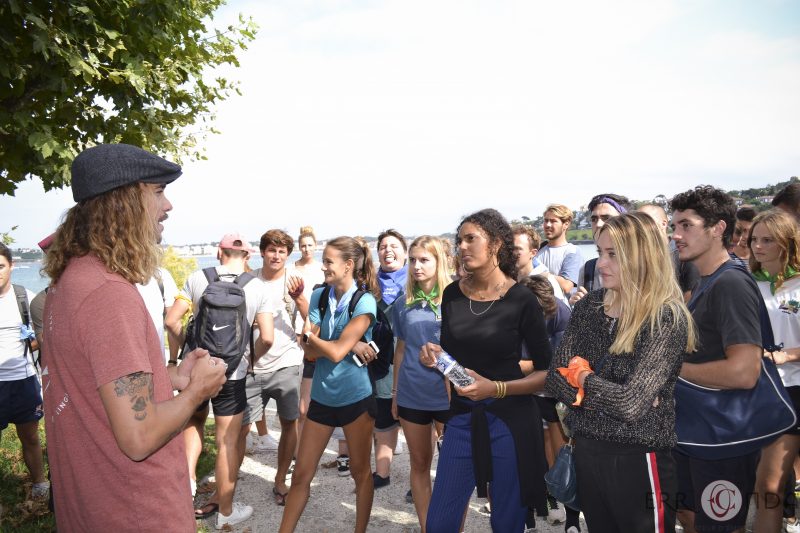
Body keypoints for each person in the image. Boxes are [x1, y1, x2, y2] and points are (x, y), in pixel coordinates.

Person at [41, 143, 227, 532]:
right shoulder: (107, 294)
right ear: (123, 202)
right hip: (135, 510)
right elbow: (139, 437)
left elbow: (93, 380)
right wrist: (197, 392)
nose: (168, 205)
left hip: (93, 504)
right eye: (158, 191)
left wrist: (169, 377)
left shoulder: (72, 281)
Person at [546, 212, 696, 533]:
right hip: (587, 453)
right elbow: (555, 380)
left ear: (642, 256)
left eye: (613, 254)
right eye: (600, 252)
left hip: (640, 460)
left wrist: (582, 378)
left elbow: (629, 403)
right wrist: (614, 393)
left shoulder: (664, 317)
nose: (601, 263)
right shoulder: (590, 308)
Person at [420, 208, 553, 532]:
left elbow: (547, 372)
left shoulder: (521, 299)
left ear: (495, 245)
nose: (462, 247)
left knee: (506, 522)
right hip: (463, 419)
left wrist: (496, 388)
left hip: (511, 421)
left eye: (470, 239)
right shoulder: (451, 294)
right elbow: (457, 359)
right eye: (459, 240)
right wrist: (437, 359)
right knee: (439, 523)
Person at [165, 232, 274, 529]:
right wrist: (250, 360)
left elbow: (171, 321)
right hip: (233, 374)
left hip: (196, 371)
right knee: (227, 441)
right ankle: (225, 513)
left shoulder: (197, 278)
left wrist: (184, 352)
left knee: (194, 425)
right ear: (248, 256)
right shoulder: (257, 287)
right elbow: (267, 336)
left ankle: (184, 493)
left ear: (218, 253)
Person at [670, 185, 763, 533]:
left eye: (686, 225)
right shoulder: (709, 282)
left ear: (718, 228)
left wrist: (673, 369)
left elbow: (744, 371)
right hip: (698, 434)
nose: (676, 235)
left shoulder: (731, 285)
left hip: (723, 440)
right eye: (675, 226)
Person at [279, 236, 380, 533]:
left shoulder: (365, 301)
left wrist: (316, 339)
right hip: (322, 399)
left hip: (355, 399)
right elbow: (309, 352)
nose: (323, 267)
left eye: (328, 262)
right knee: (301, 476)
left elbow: (330, 352)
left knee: (361, 474)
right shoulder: (320, 296)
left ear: (348, 265)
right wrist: (345, 344)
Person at [390, 236, 452, 531]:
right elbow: (401, 349)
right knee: (419, 463)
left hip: (451, 394)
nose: (416, 266)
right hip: (412, 394)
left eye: (424, 259)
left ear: (440, 262)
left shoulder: (456, 299)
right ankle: (429, 526)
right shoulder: (403, 303)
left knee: (454, 469)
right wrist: (394, 393)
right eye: (412, 259)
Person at [242, 229, 308, 506]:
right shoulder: (249, 281)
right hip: (251, 364)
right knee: (240, 426)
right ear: (262, 252)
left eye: (282, 251)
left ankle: (280, 478)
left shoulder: (295, 281)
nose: (276, 255)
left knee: (289, 422)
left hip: (287, 362)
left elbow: (311, 320)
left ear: (288, 255)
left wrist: (299, 299)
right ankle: (228, 481)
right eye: (272, 250)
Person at [748, 209, 800, 532]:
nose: (757, 246)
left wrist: (784, 356)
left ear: (787, 242)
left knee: (770, 487)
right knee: (764, 489)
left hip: (794, 389)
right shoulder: (748, 284)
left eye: (767, 240)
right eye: (754, 239)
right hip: (761, 392)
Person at [0, 243, 48, 500]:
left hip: (24, 379)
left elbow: (43, 335)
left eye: (0, 266)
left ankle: (40, 483)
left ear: (11, 266)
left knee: (29, 436)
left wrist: (31, 341)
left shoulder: (25, 297)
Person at [373, 228, 408, 488]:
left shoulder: (419, 283)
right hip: (384, 360)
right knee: (384, 415)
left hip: (415, 360)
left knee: (420, 420)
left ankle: (417, 479)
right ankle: (382, 473)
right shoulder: (370, 286)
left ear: (406, 254)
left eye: (394, 245)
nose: (388, 250)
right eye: (383, 246)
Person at [570, 194, 631, 305]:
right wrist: (579, 308)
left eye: (606, 218)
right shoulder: (588, 269)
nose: (598, 224)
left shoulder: (642, 266)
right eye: (594, 219)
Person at [537, 204, 584, 298]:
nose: (548, 225)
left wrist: (538, 274)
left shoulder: (572, 252)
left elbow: (566, 286)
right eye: (546, 221)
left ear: (566, 224)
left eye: (553, 221)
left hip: (560, 309)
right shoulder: (538, 249)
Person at [511, 224, 565, 304]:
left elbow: (560, 313)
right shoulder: (506, 279)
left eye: (518, 249)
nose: (512, 253)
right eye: (510, 248)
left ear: (533, 253)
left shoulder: (547, 281)